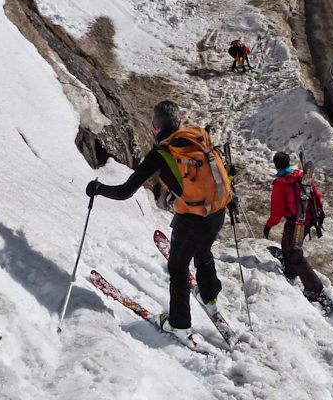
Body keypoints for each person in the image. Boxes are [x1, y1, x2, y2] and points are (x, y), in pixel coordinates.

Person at [86, 100, 232, 342]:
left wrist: (98, 188)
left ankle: (179, 324)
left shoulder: (160, 154)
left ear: (154, 126)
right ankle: (209, 293)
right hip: (217, 211)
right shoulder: (199, 139)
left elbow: (124, 192)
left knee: (178, 267)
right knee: (203, 249)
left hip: (191, 220)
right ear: (179, 122)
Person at [263, 152, 333, 313]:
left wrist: (269, 225)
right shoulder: (301, 177)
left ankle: (315, 290)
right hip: (309, 219)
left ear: (276, 165)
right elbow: (316, 196)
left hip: (296, 221)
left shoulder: (281, 185)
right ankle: (290, 269)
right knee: (287, 242)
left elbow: (277, 210)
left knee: (295, 252)